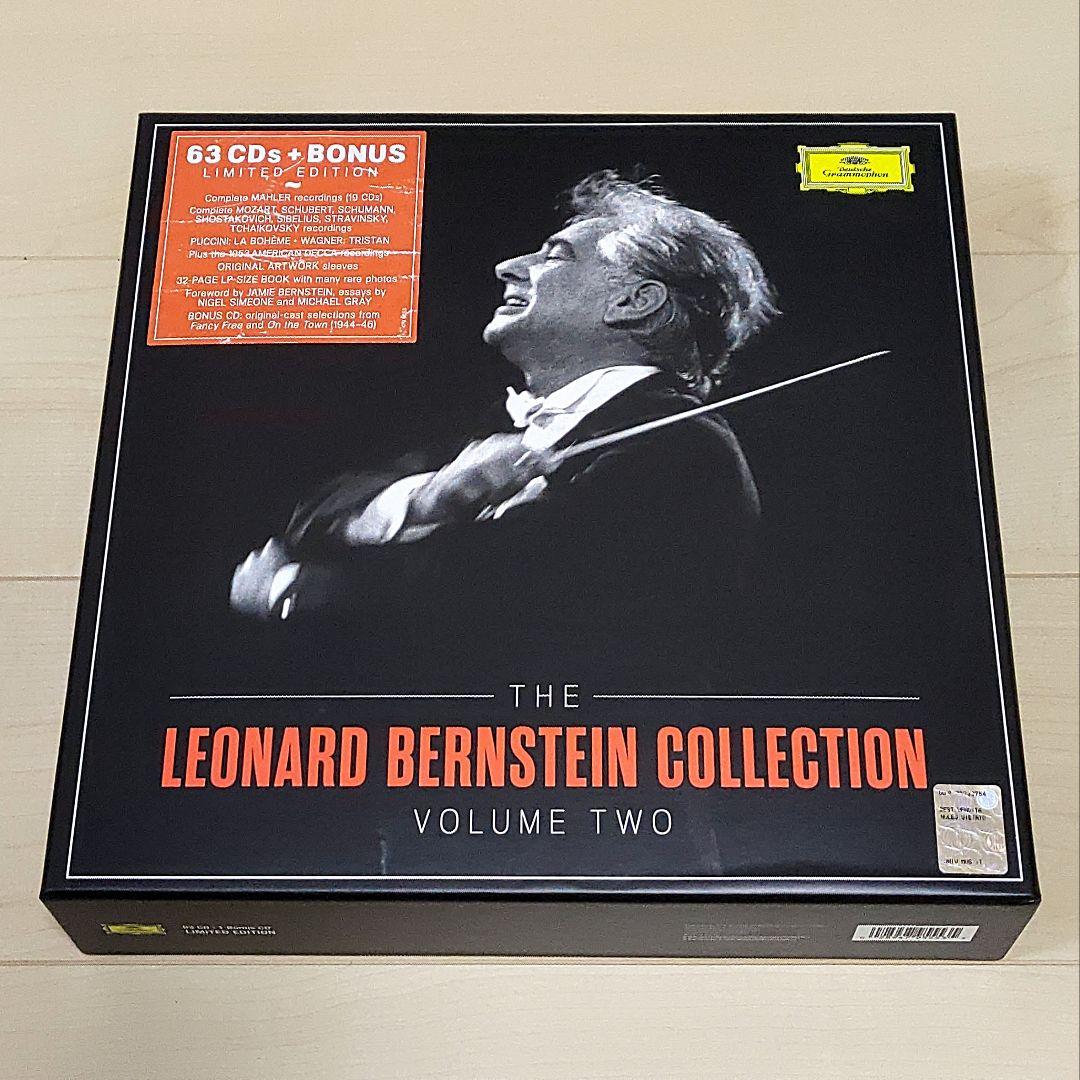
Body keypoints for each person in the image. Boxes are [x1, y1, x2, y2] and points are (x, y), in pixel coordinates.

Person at [229, 171, 777, 689]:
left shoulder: (686, 447)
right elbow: (315, 511)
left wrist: (289, 588)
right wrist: (429, 498)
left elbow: (485, 602)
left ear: (633, 302)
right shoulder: (487, 421)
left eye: (555, 255)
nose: (507, 266)